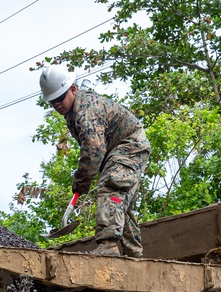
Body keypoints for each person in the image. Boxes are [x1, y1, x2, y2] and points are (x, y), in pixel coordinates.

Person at [39, 63, 150, 257]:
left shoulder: (85, 111)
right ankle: (134, 254)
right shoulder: (73, 112)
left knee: (110, 186)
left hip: (130, 145)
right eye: (52, 101)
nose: (57, 104)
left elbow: (93, 149)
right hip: (117, 150)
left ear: (73, 90)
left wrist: (82, 181)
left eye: (60, 98)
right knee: (119, 203)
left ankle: (108, 245)